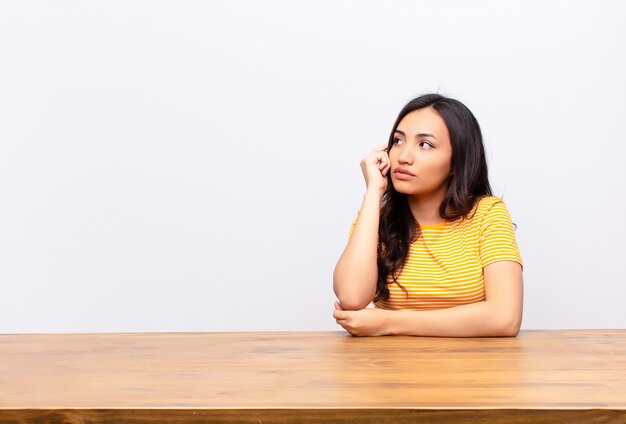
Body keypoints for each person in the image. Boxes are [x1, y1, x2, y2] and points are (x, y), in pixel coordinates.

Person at [332, 93, 523, 337]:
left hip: (472, 371)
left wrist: (388, 322)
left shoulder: (487, 215)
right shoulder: (374, 218)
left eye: (425, 145)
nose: (403, 157)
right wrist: (374, 191)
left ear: (457, 162)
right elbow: (351, 297)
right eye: (398, 141)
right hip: (389, 370)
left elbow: (505, 318)